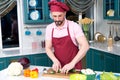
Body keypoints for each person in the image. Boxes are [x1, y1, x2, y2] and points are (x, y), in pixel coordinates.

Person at [45, 0, 89, 74]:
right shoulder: (49, 28)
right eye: (55, 16)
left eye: (60, 16)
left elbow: (85, 46)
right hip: (59, 69)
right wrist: (55, 60)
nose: (57, 19)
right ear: (51, 15)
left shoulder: (74, 26)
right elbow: (48, 47)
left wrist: (72, 63)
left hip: (74, 67)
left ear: (64, 13)